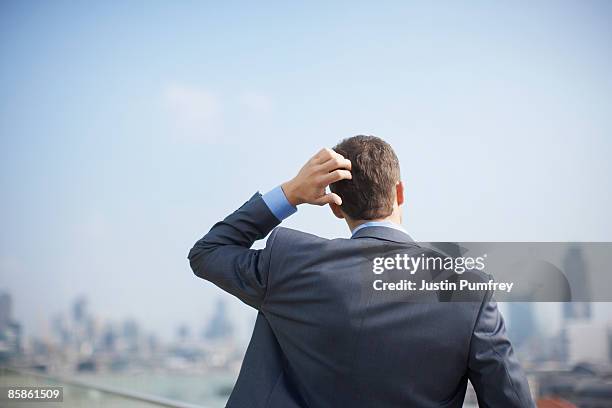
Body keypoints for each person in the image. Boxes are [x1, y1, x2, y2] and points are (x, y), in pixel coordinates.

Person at [188, 135, 534, 407]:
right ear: (400, 192)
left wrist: (291, 193)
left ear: (336, 208)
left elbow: (208, 252)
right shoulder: (468, 289)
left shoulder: (292, 264)